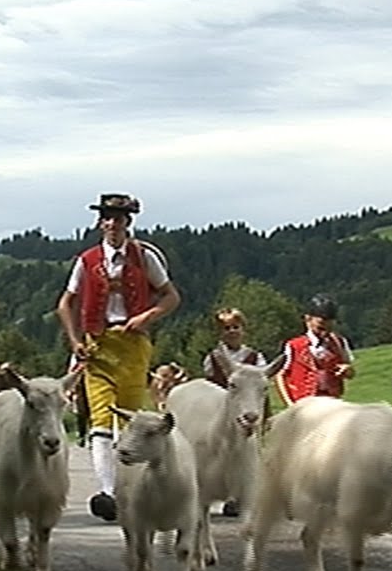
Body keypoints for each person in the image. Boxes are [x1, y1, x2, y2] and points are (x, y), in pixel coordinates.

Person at [57, 193, 181, 521]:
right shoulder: (86, 260)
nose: (113, 223)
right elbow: (64, 304)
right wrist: (74, 341)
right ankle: (108, 492)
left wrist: (146, 317)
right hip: (98, 346)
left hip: (133, 344)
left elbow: (171, 297)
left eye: (119, 218)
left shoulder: (144, 258)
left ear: (129, 222)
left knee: (128, 417)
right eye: (108, 217)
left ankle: (131, 486)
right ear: (100, 222)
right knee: (100, 418)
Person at [203, 307, 268, 517]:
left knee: (250, 451)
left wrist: (264, 415)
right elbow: (210, 384)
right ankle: (225, 491)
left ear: (243, 330)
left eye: (236, 327)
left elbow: (262, 388)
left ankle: (246, 492)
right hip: (222, 410)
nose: (232, 332)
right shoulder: (214, 358)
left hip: (249, 409)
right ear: (220, 332)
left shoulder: (255, 357)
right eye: (226, 328)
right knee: (222, 450)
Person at [274, 293, 355, 406]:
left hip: (333, 403)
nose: (325, 331)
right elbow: (280, 375)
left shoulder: (339, 343)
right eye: (320, 326)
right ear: (308, 319)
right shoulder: (293, 345)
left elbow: (351, 373)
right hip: (304, 405)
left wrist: (347, 370)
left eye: (329, 325)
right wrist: (289, 404)